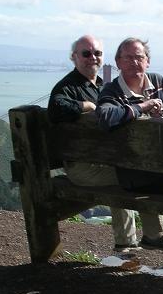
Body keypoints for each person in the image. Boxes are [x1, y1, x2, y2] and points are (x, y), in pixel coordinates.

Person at [47, 34, 140, 252]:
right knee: (132, 177)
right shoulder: (67, 87)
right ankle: (130, 243)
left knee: (133, 172)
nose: (92, 58)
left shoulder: (103, 86)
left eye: (97, 53)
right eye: (86, 53)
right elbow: (56, 108)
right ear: (74, 57)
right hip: (82, 167)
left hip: (101, 161)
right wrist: (87, 106)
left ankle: (133, 242)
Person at [95, 37, 163, 250]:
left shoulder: (159, 82)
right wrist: (142, 107)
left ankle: (154, 236)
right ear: (118, 62)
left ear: (148, 61)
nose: (135, 62)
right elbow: (106, 117)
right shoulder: (111, 90)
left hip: (153, 162)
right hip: (129, 165)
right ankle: (152, 237)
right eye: (129, 58)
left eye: (139, 57)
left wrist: (161, 116)